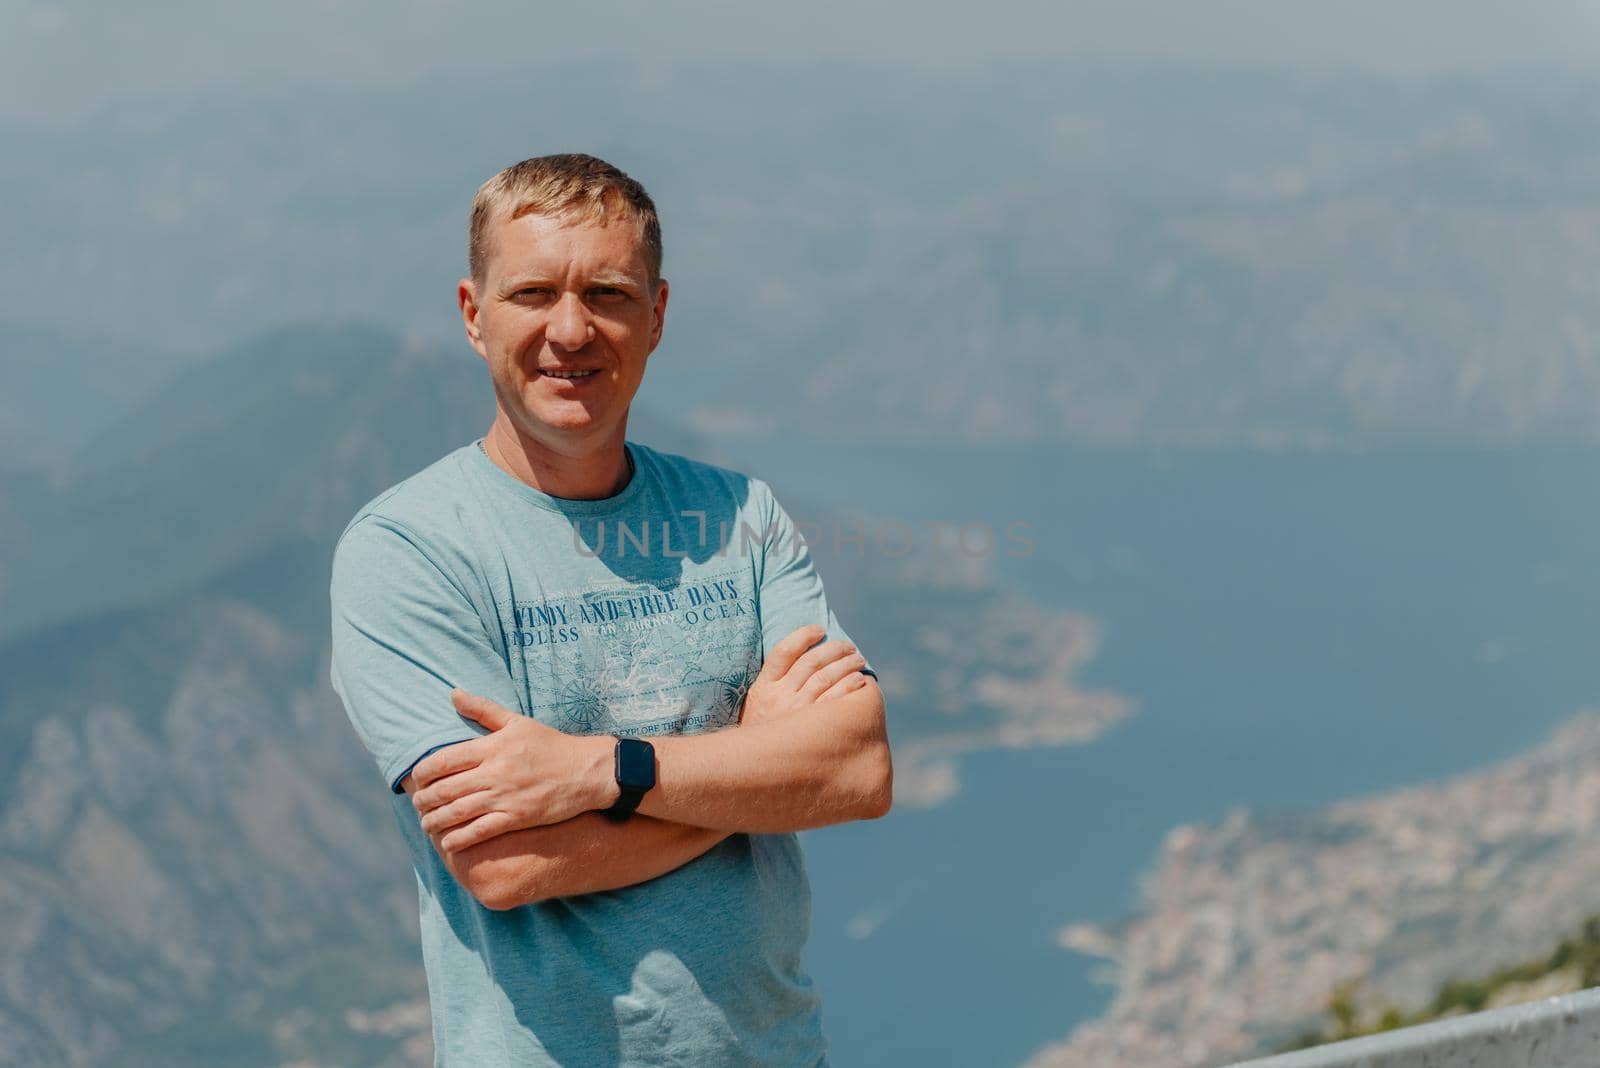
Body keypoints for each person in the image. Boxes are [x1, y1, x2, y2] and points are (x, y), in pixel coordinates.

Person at [328, 153, 892, 1067]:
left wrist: (601, 772)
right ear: (475, 315)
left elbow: (858, 772)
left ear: (657, 315)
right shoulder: (409, 551)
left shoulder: (739, 516)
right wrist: (756, 771)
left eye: (609, 293)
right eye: (533, 292)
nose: (571, 329)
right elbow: (505, 865)